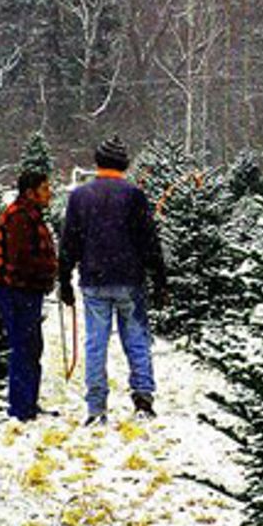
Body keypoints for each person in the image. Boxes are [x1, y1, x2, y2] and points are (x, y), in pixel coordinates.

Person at [58, 136, 167, 424]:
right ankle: (143, 400)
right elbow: (149, 240)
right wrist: (160, 278)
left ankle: (96, 409)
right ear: (125, 165)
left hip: (94, 278)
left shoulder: (80, 196)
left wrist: (65, 278)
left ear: (97, 163)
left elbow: (69, 240)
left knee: (96, 343)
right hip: (130, 279)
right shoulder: (134, 195)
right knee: (137, 340)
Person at [0, 170, 58, 422]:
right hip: (17, 291)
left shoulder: (31, 214)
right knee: (23, 347)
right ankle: (20, 408)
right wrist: (46, 274)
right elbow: (23, 260)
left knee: (31, 346)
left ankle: (28, 403)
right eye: (44, 188)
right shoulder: (20, 217)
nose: (49, 193)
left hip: (26, 290)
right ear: (30, 192)